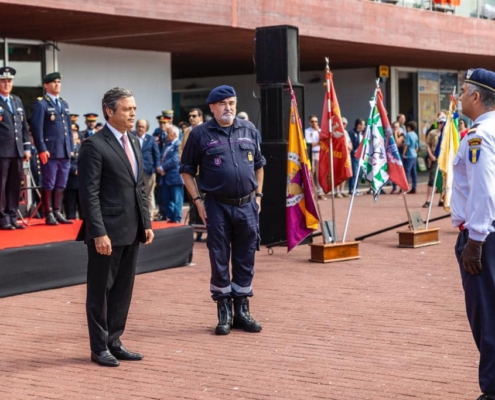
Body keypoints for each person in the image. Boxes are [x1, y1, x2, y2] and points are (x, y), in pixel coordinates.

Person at [76, 87, 154, 367]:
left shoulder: (133, 140)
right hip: (106, 232)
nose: (133, 113)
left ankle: (114, 341)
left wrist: (146, 222)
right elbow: (89, 194)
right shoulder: (93, 145)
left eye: (134, 108)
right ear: (110, 111)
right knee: (100, 291)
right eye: (127, 109)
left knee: (123, 290)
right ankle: (99, 348)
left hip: (131, 230)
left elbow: (139, 186)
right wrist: (98, 232)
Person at [180, 85, 265, 336]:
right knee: (219, 258)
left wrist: (259, 196)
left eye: (232, 102)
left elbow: (260, 165)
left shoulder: (249, 129)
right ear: (212, 107)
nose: (229, 108)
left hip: (247, 205)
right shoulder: (200, 135)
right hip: (217, 205)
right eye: (223, 104)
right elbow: (186, 170)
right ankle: (224, 311)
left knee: (246, 256)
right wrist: (198, 202)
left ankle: (243, 310)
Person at [451, 68, 495, 400]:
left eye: (464, 91)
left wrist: (475, 241)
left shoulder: (480, 136)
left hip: (485, 237)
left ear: (477, 97)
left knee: (486, 315)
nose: (460, 96)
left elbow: (483, 190)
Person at [31, 72, 73, 225]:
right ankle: (48, 213)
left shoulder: (64, 104)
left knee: (61, 183)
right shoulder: (41, 104)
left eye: (58, 82)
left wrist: (71, 147)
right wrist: (41, 148)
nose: (57, 84)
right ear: (46, 85)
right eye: (53, 82)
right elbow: (37, 128)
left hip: (64, 150)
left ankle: (57, 211)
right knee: (49, 182)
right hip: (50, 150)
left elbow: (68, 128)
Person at [0, 66, 31, 230]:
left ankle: (12, 216)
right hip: (2, 152)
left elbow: (24, 126)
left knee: (14, 185)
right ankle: (2, 218)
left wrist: (27, 148)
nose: (6, 84)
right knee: (1, 186)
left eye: (9, 81)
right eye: (3, 81)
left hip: (17, 150)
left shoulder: (16, 100)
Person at [135, 119, 160, 221]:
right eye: (139, 126)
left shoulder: (151, 139)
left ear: (146, 129)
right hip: (134, 171)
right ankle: (137, 216)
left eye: (142, 127)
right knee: (135, 194)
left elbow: (157, 155)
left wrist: (156, 167)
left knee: (148, 194)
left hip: (148, 171)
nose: (140, 129)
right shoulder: (130, 137)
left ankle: (149, 215)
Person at [158, 125, 184, 222]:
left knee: (177, 199)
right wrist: (159, 167)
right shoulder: (166, 145)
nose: (166, 134)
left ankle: (177, 218)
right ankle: (171, 216)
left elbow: (175, 159)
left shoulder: (179, 144)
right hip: (164, 177)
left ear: (174, 134)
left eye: (168, 132)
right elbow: (161, 157)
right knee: (165, 199)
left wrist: (162, 167)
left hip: (175, 176)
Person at [422, 116, 445, 208]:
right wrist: (430, 156)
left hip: (444, 159)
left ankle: (442, 198)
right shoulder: (433, 133)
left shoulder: (447, 135)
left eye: (443, 123)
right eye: (440, 123)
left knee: (443, 179)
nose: (442, 125)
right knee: (432, 178)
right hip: (435, 158)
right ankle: (428, 199)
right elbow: (427, 145)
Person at [63, 124, 81, 219]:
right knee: (70, 209)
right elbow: (64, 161)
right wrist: (74, 170)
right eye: (72, 132)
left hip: (82, 181)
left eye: (75, 132)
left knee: (83, 211)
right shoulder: (65, 146)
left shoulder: (82, 146)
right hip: (70, 181)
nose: (74, 134)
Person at [304, 115, 324, 199]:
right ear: (309, 122)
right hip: (311, 153)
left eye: (316, 121)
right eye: (312, 121)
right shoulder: (307, 131)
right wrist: (319, 142)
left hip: (319, 153)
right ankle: (312, 192)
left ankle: (320, 192)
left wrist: (318, 132)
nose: (314, 123)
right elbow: (309, 144)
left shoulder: (320, 131)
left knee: (319, 174)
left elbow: (324, 141)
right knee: (311, 173)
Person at [348, 118, 366, 195]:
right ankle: (352, 189)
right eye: (363, 124)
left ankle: (356, 188)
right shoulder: (352, 133)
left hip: (362, 156)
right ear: (358, 125)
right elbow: (351, 143)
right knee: (354, 172)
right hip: (354, 155)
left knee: (359, 172)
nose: (364, 126)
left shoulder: (363, 133)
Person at [402, 121, 419, 194]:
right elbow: (416, 146)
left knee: (407, 171)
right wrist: (415, 152)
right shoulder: (415, 135)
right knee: (413, 172)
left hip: (409, 155)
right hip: (414, 154)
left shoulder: (408, 134)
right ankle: (414, 187)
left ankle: (405, 187)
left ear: (409, 127)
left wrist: (403, 153)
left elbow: (406, 145)